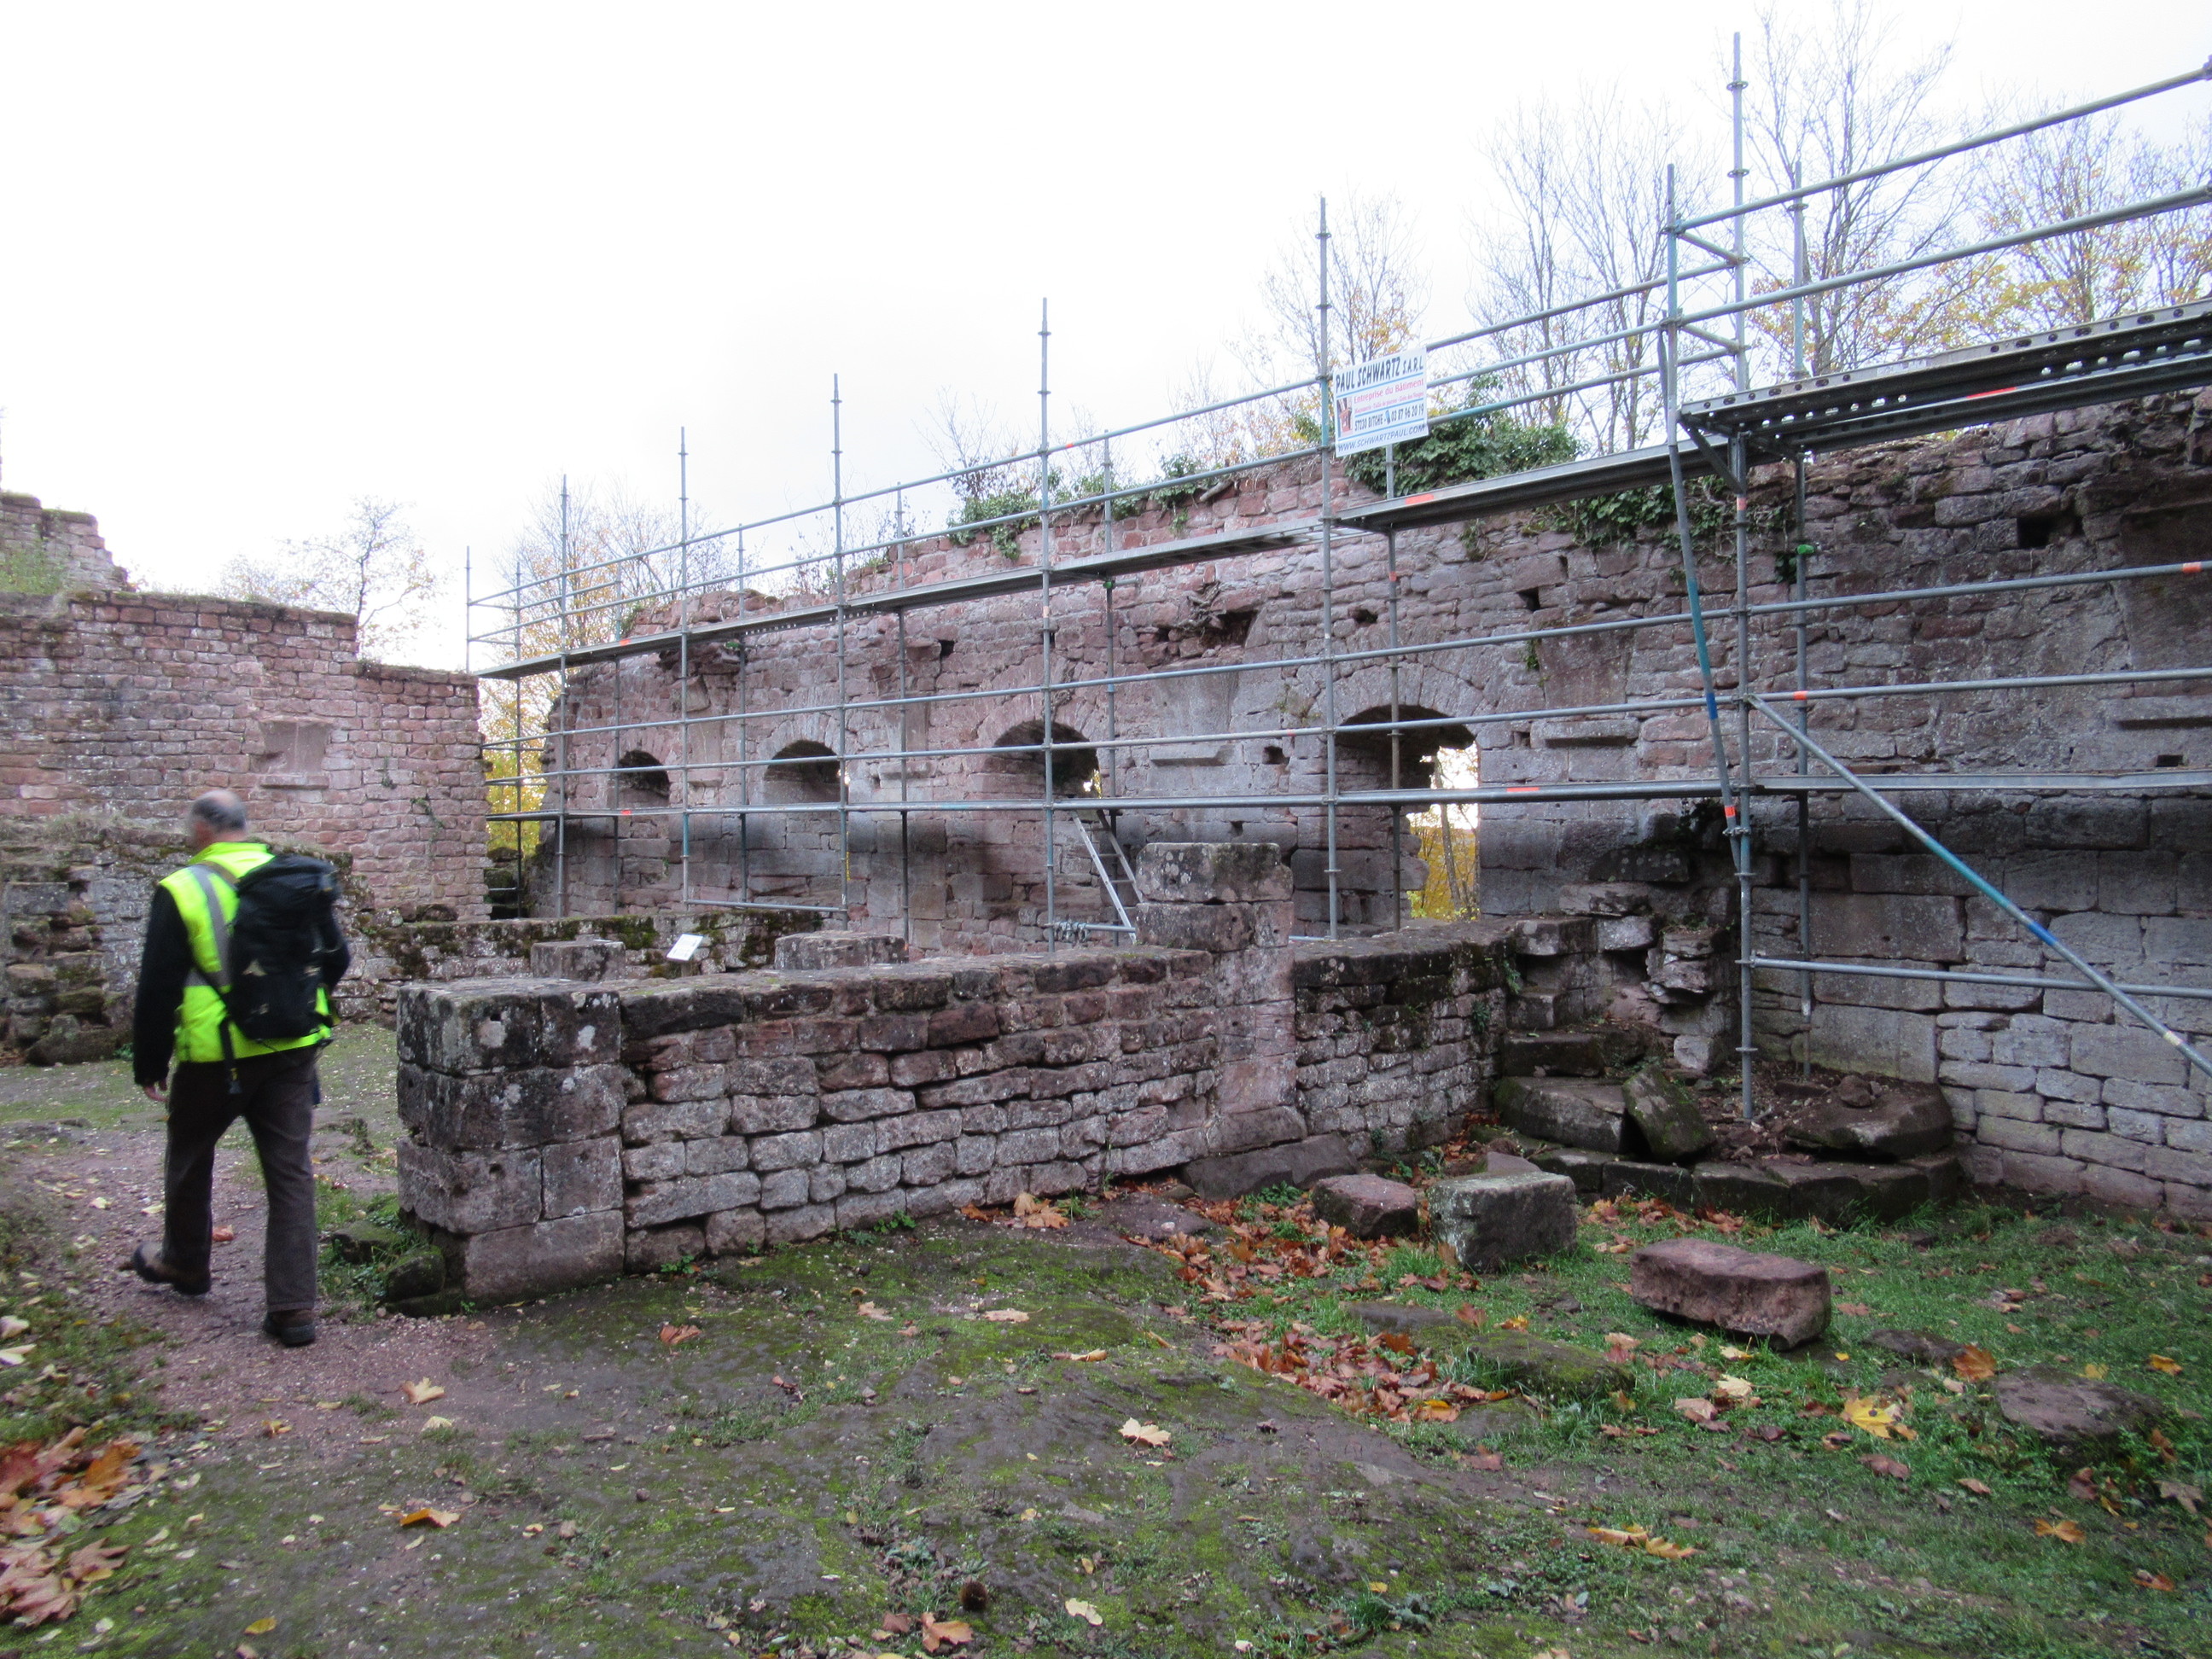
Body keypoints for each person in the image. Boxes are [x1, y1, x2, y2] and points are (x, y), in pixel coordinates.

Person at [126, 789, 348, 1348]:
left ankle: (185, 1263)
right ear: (243, 825)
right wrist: (298, 1004)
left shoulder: (183, 888)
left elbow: (157, 985)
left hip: (215, 1055)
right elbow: (337, 957)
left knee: (190, 1155)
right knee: (291, 1173)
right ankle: (294, 1309)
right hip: (294, 1046)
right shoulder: (296, 875)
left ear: (203, 828)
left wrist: (149, 1061)